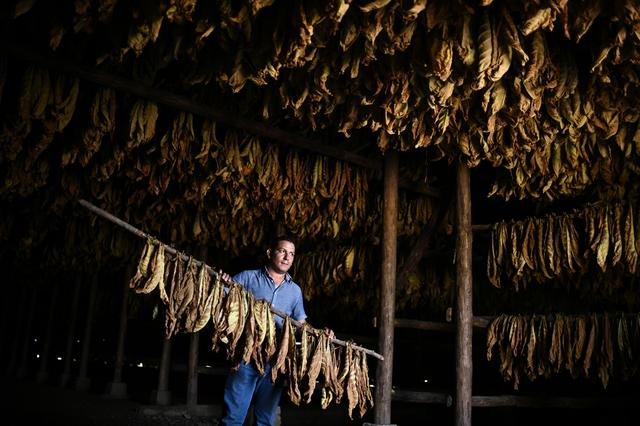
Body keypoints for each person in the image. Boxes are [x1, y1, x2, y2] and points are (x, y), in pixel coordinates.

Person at [220, 235, 332, 426]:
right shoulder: (247, 277)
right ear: (270, 253)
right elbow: (222, 300)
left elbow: (301, 325)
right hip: (246, 357)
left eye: (292, 254)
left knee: (265, 420)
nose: (287, 257)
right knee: (233, 418)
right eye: (282, 251)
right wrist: (223, 283)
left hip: (275, 362)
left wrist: (321, 334)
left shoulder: (294, 291)